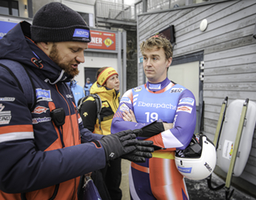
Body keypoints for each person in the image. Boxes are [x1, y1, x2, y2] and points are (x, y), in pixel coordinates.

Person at [0, 2, 153, 200]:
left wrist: (116, 145)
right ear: (45, 42)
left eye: (83, 49)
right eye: (74, 49)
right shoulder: (9, 79)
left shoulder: (60, 80)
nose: (81, 58)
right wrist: (102, 150)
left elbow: (80, 134)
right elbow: (16, 171)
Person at [111, 35, 197, 200]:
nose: (148, 63)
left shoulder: (183, 94)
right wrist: (163, 127)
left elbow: (181, 138)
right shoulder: (131, 94)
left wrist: (136, 128)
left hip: (169, 178)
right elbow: (115, 128)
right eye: (145, 58)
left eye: (155, 58)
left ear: (168, 61)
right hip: (137, 177)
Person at [79, 67, 122, 200]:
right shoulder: (91, 102)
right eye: (112, 78)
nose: (117, 81)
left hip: (115, 148)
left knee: (114, 186)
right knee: (100, 189)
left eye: (117, 77)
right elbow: (84, 132)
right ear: (103, 82)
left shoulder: (116, 97)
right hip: (100, 152)